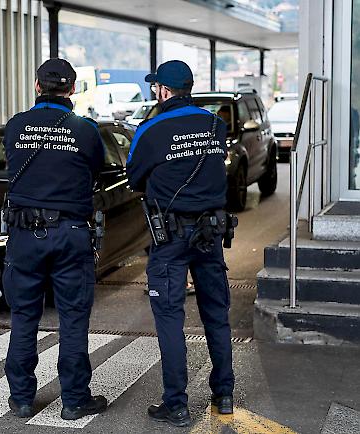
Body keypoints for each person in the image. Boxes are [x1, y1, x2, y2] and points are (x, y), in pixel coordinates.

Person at [126, 60, 235, 427]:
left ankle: (176, 404)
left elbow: (134, 176)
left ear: (164, 90)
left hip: (170, 236)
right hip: (210, 233)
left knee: (170, 319)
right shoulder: (214, 124)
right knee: (216, 315)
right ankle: (224, 394)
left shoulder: (150, 128)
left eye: (155, 86)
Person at [2, 58, 107, 420]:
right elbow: (95, 169)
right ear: (72, 90)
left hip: (24, 236)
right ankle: (75, 400)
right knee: (74, 318)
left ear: (36, 86)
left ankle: (20, 398)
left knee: (24, 316)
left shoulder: (16, 126)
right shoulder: (86, 130)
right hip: (71, 234)